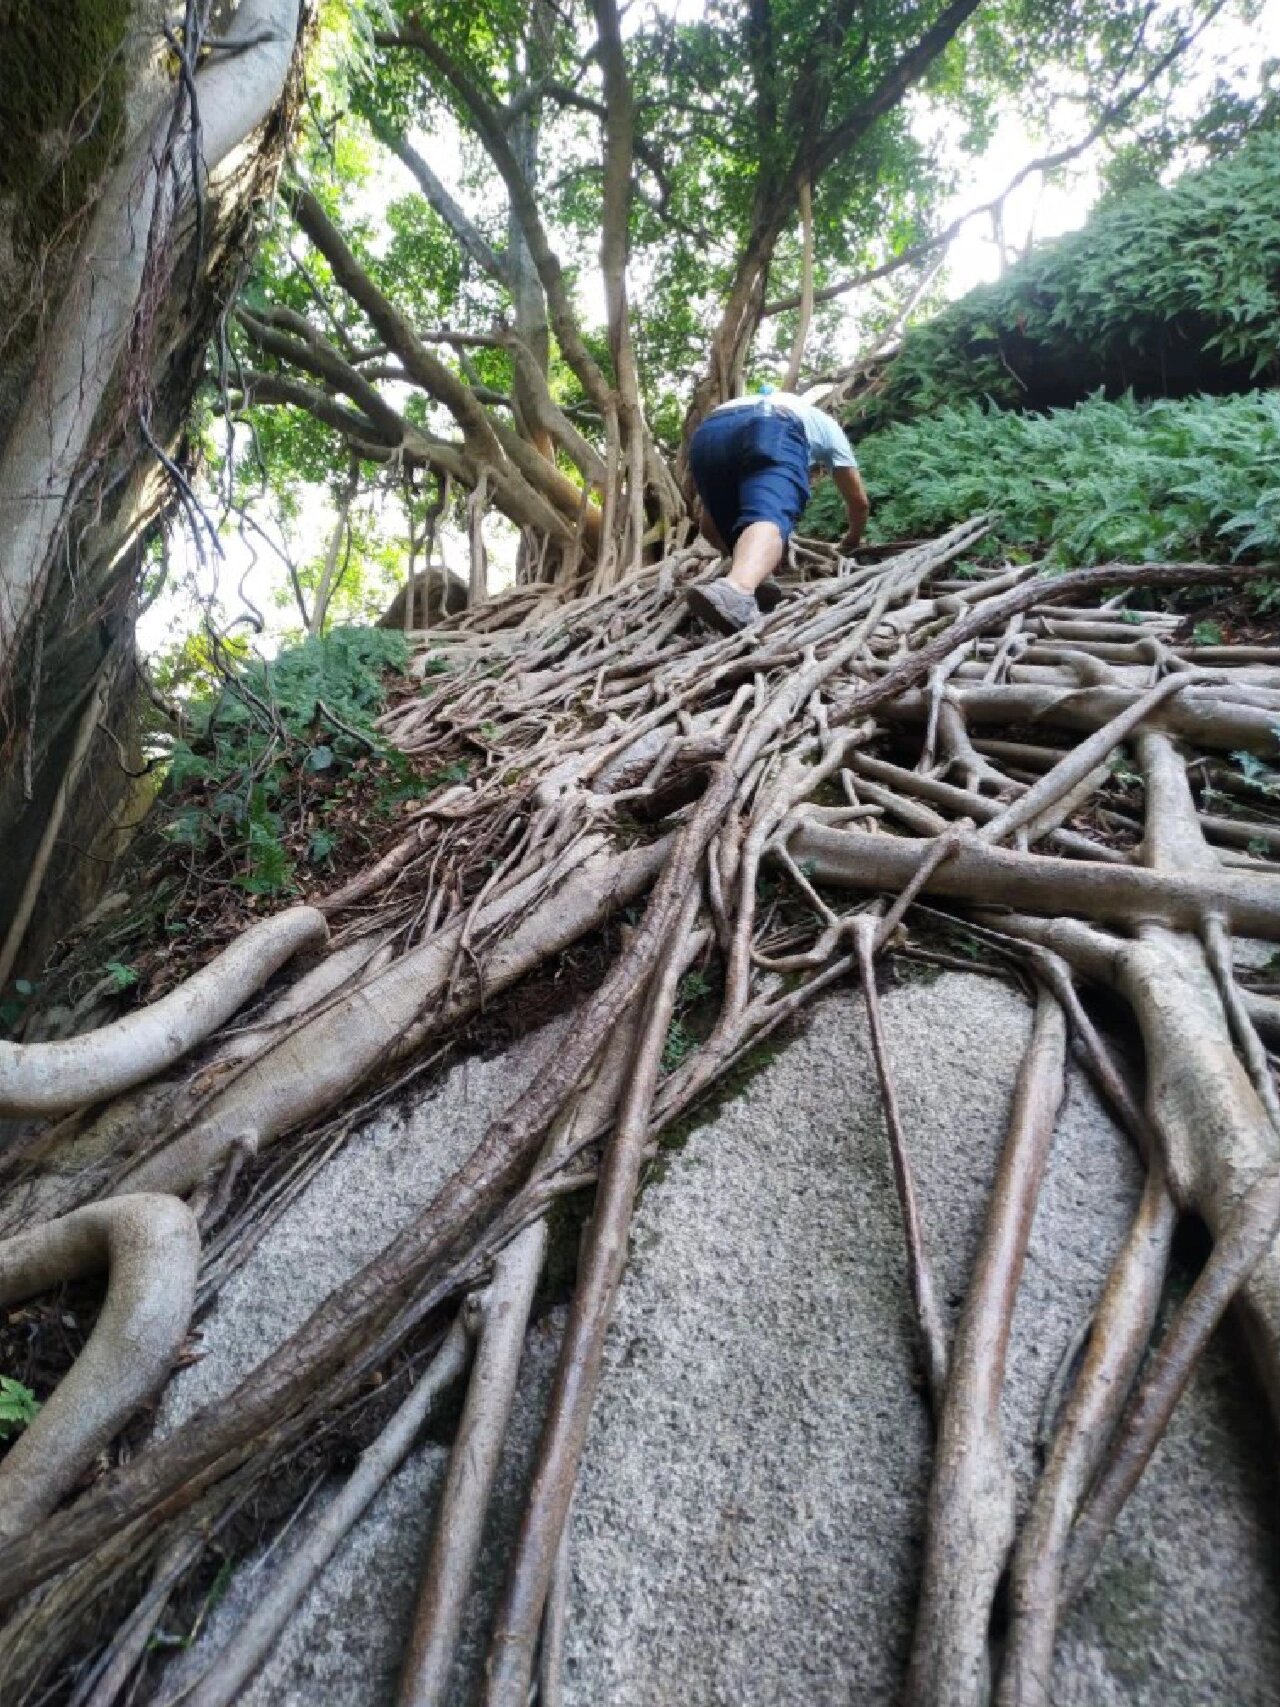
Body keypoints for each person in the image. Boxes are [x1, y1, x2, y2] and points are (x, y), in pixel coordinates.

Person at [685, 386, 870, 634]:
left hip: (709, 433)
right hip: (773, 425)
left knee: (720, 521)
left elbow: (709, 526)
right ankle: (736, 589)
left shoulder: (748, 401)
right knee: (769, 515)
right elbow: (858, 501)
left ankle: (755, 573)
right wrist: (852, 539)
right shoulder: (825, 425)